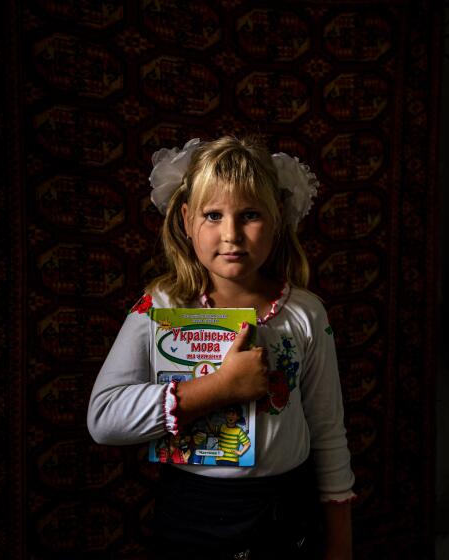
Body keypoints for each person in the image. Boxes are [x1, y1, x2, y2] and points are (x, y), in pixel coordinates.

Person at [87, 136, 356, 559]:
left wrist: (340, 541)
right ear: (186, 218)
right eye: (213, 215)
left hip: (289, 512)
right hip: (197, 515)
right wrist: (219, 389)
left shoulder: (306, 313)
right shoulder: (159, 306)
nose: (231, 235)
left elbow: (327, 429)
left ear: (278, 218)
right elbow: (104, 419)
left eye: (249, 215)